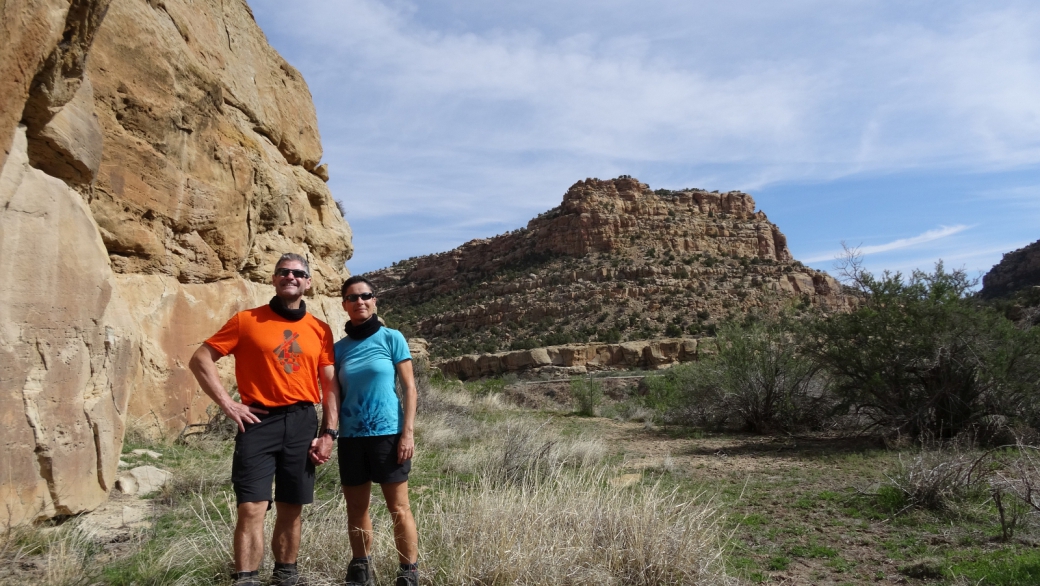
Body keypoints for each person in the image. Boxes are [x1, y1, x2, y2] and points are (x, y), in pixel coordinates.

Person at [189, 253, 340, 586]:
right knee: (251, 507)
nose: (290, 277)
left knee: (292, 505)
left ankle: (285, 576)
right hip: (258, 421)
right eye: (283, 272)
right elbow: (201, 358)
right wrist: (229, 404)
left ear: (308, 282)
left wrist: (329, 432)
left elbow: (329, 384)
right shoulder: (247, 321)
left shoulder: (319, 330)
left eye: (298, 273)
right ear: (273, 279)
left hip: (302, 420)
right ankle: (246, 579)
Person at [335, 276, 419, 586]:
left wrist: (407, 433)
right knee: (357, 508)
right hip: (351, 437)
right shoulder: (339, 349)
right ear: (344, 304)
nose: (359, 301)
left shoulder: (391, 338)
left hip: (388, 434)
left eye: (365, 296)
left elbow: (410, 388)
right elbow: (333, 395)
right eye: (352, 297)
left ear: (374, 300)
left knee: (398, 507)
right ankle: (361, 570)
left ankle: (408, 572)